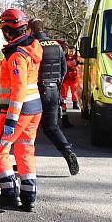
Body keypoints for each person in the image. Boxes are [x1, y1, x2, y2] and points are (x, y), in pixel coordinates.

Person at [0, 8, 43, 212]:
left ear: (9, 31)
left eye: (3, 29)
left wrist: (11, 120)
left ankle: (9, 194)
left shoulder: (16, 55)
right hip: (33, 109)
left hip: (17, 112)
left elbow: (18, 88)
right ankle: (29, 196)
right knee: (25, 149)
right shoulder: (31, 48)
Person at [29, 19, 79, 176]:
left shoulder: (32, 45)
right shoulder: (57, 46)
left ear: (31, 30)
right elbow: (63, 69)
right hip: (53, 90)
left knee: (27, 129)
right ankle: (68, 152)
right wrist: (56, 86)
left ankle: (26, 163)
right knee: (51, 127)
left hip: (36, 91)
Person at [61, 46, 79, 113]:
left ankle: (75, 103)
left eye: (72, 51)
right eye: (69, 51)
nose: (71, 53)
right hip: (66, 78)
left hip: (74, 78)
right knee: (63, 92)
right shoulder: (64, 57)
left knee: (74, 91)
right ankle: (63, 105)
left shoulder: (77, 58)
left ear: (74, 51)